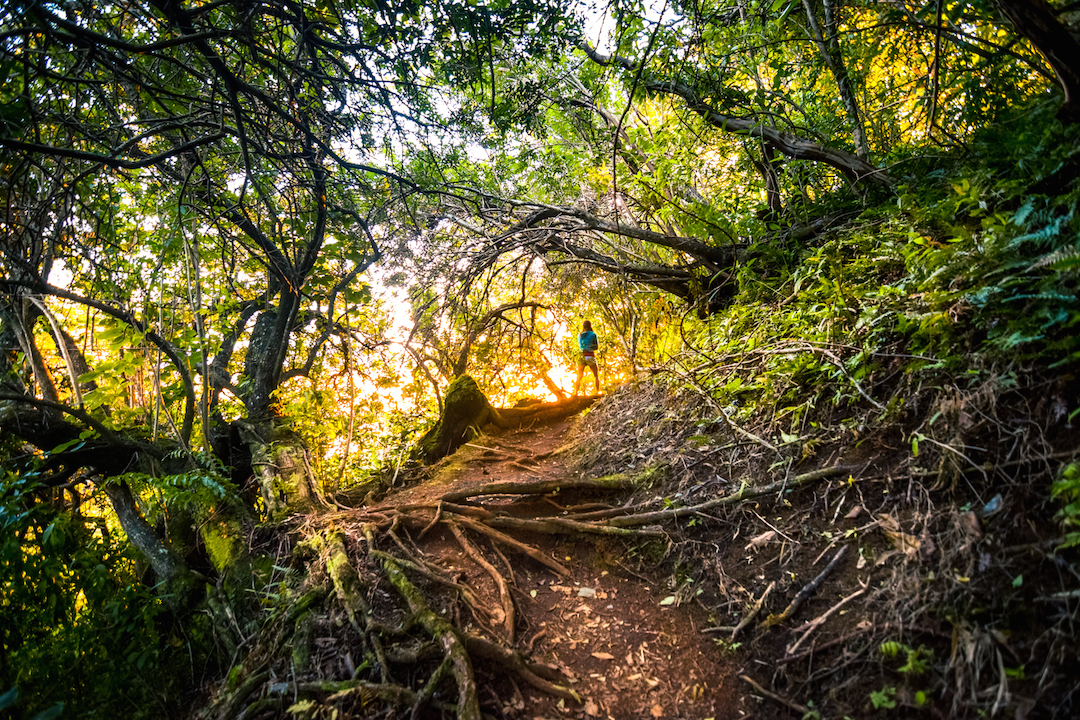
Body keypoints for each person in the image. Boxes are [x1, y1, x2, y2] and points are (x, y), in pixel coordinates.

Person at [572, 320, 600, 397]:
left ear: (583, 326)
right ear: (590, 325)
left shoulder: (580, 335)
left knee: (579, 375)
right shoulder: (593, 334)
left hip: (582, 356)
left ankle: (576, 393)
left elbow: (581, 345)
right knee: (596, 375)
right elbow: (596, 347)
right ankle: (598, 392)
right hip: (590, 355)